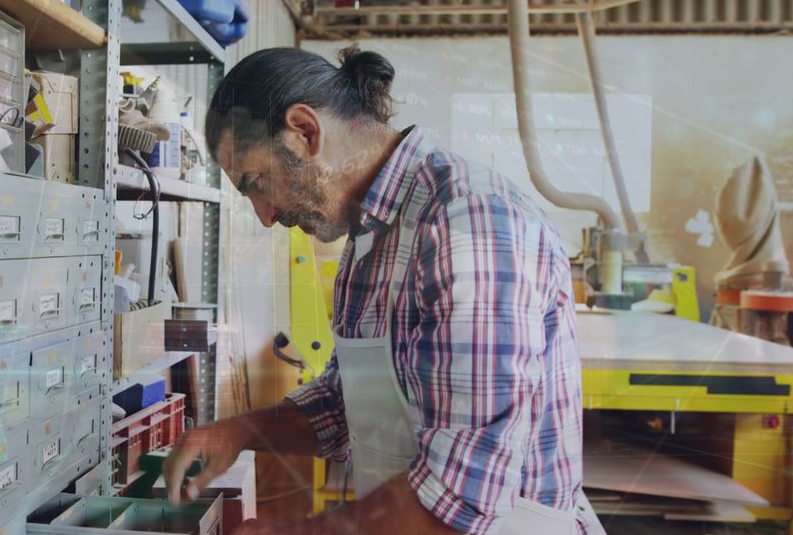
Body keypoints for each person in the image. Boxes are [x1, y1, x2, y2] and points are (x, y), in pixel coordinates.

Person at [163, 46, 603, 535]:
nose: (265, 217)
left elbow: (461, 496)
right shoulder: (371, 237)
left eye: (257, 183)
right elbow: (344, 404)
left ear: (305, 131)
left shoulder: (466, 223)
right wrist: (238, 431)